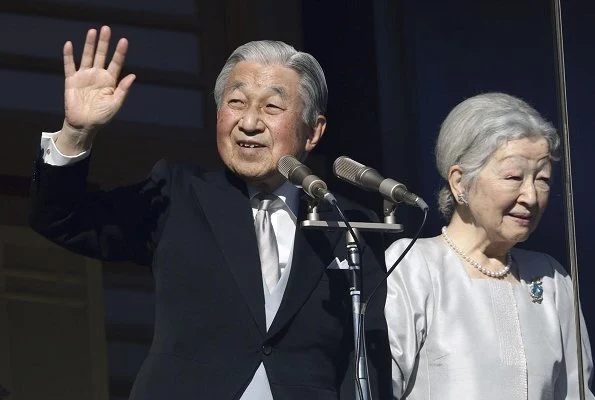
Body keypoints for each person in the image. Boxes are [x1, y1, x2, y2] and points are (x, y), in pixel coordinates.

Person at [29, 26, 391, 399]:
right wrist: (75, 132)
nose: (249, 122)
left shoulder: (348, 225)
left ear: (313, 132)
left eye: (271, 107)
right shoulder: (178, 193)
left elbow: (367, 360)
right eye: (236, 103)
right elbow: (61, 219)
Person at [384, 92, 594, 399]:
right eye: (513, 176)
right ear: (460, 182)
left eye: (543, 179)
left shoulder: (551, 278)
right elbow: (380, 385)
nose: (531, 197)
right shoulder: (414, 266)